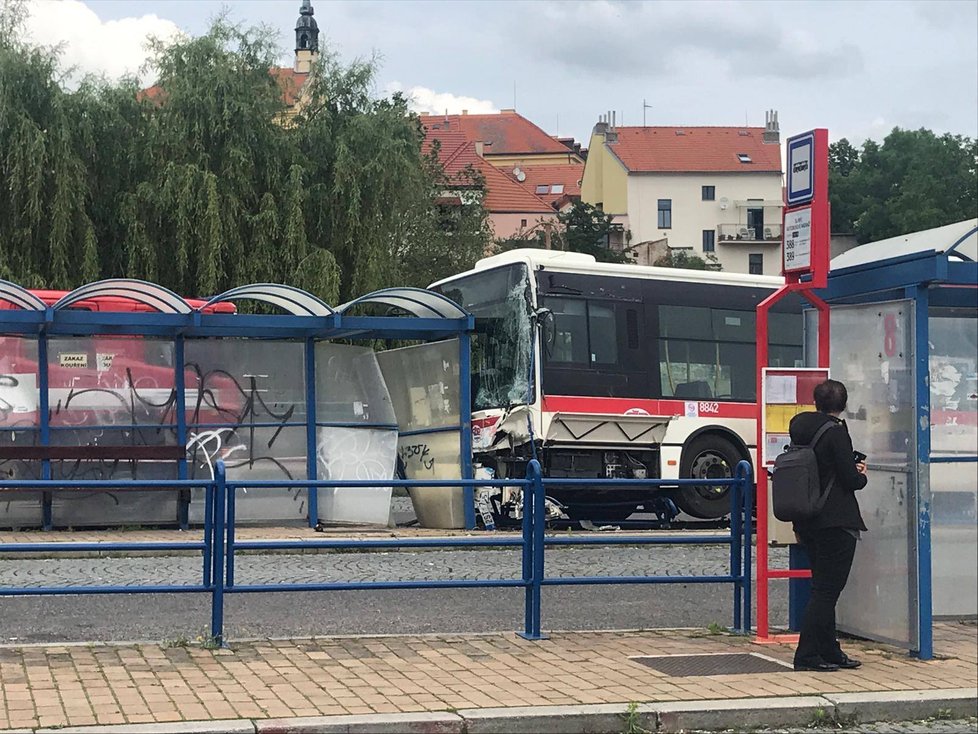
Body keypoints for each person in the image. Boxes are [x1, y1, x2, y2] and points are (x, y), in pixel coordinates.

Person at [789, 379, 868, 672]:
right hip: (836, 521)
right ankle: (806, 655)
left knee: (822, 587)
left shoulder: (799, 427)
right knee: (826, 592)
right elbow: (850, 480)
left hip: (808, 518)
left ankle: (829, 650)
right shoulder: (836, 433)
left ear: (816, 402)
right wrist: (862, 474)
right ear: (843, 405)